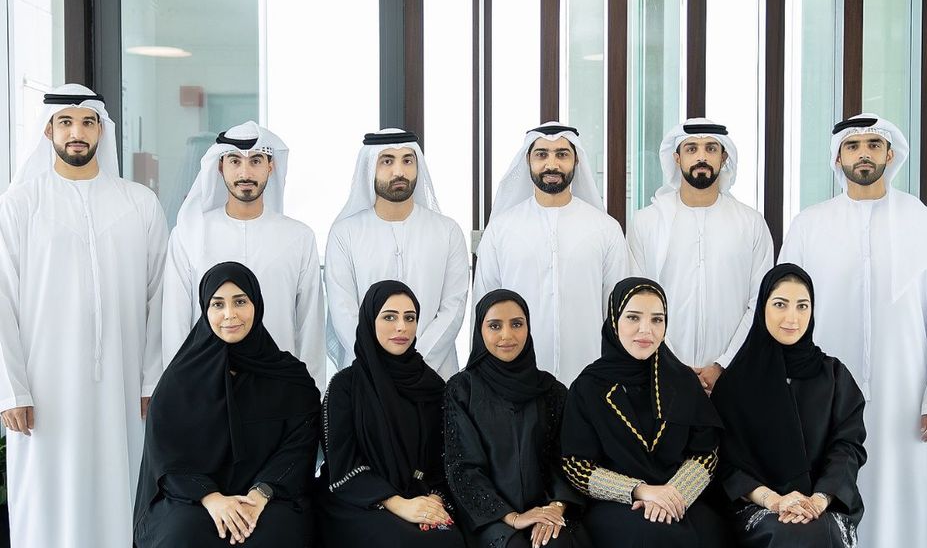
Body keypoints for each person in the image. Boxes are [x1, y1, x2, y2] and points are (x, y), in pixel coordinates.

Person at [779, 114, 927, 548]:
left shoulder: (922, 223)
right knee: (825, 497)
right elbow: (783, 309)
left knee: (901, 506)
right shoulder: (810, 224)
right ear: (837, 158)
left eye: (874, 145)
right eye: (853, 145)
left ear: (889, 155)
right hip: (823, 398)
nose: (864, 153)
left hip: (906, 399)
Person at [0, 84, 168, 548]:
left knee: (121, 498)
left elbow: (160, 297)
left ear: (102, 131)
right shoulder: (20, 203)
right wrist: (12, 389)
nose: (77, 132)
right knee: (47, 506)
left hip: (123, 391)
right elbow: (2, 299)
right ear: (48, 130)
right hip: (43, 393)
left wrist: (151, 380)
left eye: (88, 122)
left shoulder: (138, 203)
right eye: (66, 122)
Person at [134, 261, 320, 548]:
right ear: (205, 311)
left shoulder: (290, 378)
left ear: (256, 305)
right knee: (184, 541)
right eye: (217, 304)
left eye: (240, 301)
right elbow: (166, 457)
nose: (229, 314)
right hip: (191, 499)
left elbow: (299, 446)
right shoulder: (179, 381)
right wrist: (212, 498)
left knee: (276, 539)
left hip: (270, 496)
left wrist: (260, 494)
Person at [561, 277, 746, 548]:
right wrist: (640, 491)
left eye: (657, 319)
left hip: (681, 497)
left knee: (711, 536)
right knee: (653, 537)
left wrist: (674, 494)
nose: (645, 329)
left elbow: (706, 451)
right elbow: (577, 466)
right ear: (614, 320)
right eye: (633, 317)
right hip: (616, 505)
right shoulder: (588, 387)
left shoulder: (681, 381)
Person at [712, 263, 873, 548]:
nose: (792, 317)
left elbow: (847, 447)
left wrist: (819, 499)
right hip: (755, 506)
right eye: (780, 304)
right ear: (762, 309)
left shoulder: (833, 376)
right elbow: (725, 464)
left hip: (821, 502)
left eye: (802, 306)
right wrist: (775, 501)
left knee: (817, 530)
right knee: (805, 534)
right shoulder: (735, 384)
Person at [313, 280, 468, 548]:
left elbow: (443, 461)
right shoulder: (345, 387)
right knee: (400, 546)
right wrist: (398, 504)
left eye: (410, 318)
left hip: (418, 494)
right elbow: (342, 465)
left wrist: (435, 499)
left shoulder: (432, 386)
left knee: (449, 544)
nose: (402, 327)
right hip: (355, 502)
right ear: (370, 321)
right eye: (389, 317)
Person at [444, 289, 600, 548]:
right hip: (488, 518)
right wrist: (512, 517)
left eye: (517, 324)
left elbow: (565, 460)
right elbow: (463, 467)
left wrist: (556, 507)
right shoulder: (462, 389)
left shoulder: (552, 390)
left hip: (546, 508)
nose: (507, 335)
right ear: (479, 330)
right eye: (495, 325)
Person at [162, 121, 326, 388]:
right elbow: (175, 322)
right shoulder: (189, 234)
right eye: (235, 161)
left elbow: (311, 326)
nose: (245, 172)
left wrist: (311, 391)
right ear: (220, 166)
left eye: (256, 161)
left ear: (271, 166)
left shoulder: (298, 237)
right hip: (207, 384)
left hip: (279, 386)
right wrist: (178, 388)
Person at [473, 123, 629, 386]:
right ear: (528, 160)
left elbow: (618, 310)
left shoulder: (605, 229)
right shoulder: (501, 229)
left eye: (562, 154)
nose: (552, 164)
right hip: (517, 379)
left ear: (576, 160)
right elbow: (485, 304)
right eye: (542, 154)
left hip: (591, 376)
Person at [628, 118, 773, 392]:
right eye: (692, 149)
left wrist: (722, 364)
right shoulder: (647, 223)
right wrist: (674, 366)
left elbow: (760, 302)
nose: (701, 157)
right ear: (677, 158)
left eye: (711, 149)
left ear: (724, 157)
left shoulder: (751, 223)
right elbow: (637, 299)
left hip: (733, 375)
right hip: (661, 372)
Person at [325, 129, 468, 379]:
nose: (399, 171)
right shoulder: (344, 233)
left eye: (407, 161)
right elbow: (343, 310)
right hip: (367, 374)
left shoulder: (447, 231)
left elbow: (453, 308)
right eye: (387, 161)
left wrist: (418, 362)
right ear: (370, 167)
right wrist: (376, 362)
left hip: (433, 373)